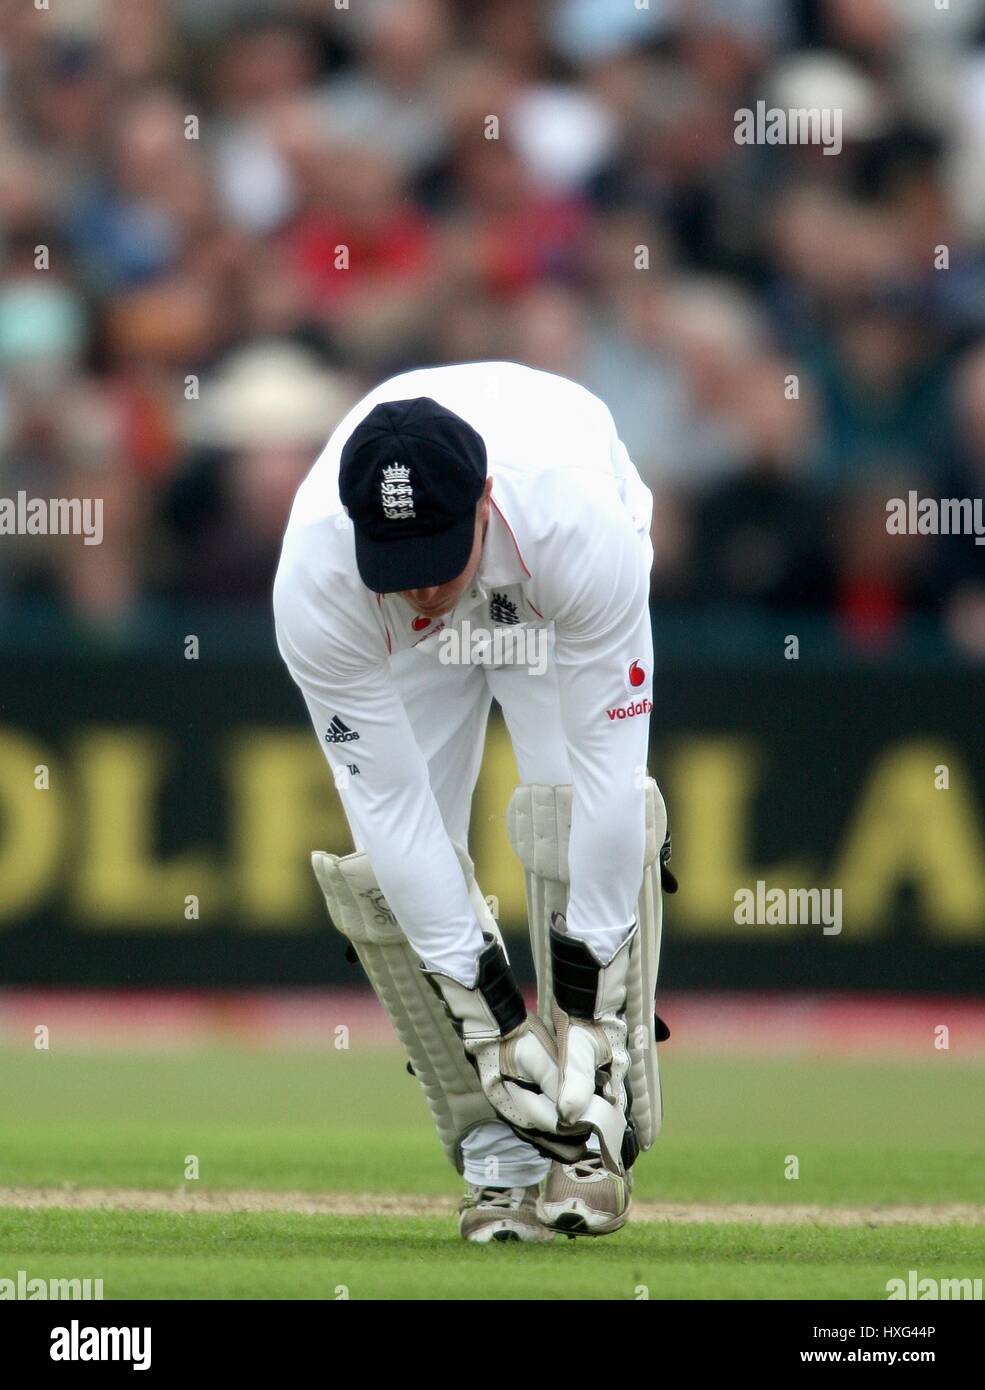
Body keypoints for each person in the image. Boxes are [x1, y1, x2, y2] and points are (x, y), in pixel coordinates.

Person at [273, 360, 673, 1241]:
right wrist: (488, 1016)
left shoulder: (577, 523)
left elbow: (611, 774)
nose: (422, 586)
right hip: (409, 645)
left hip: (546, 600)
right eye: (398, 564)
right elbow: (396, 812)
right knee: (387, 875)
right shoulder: (318, 582)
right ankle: (501, 1149)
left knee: (568, 808)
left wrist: (591, 1001)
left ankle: (587, 1123)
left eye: (436, 556)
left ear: (485, 498)